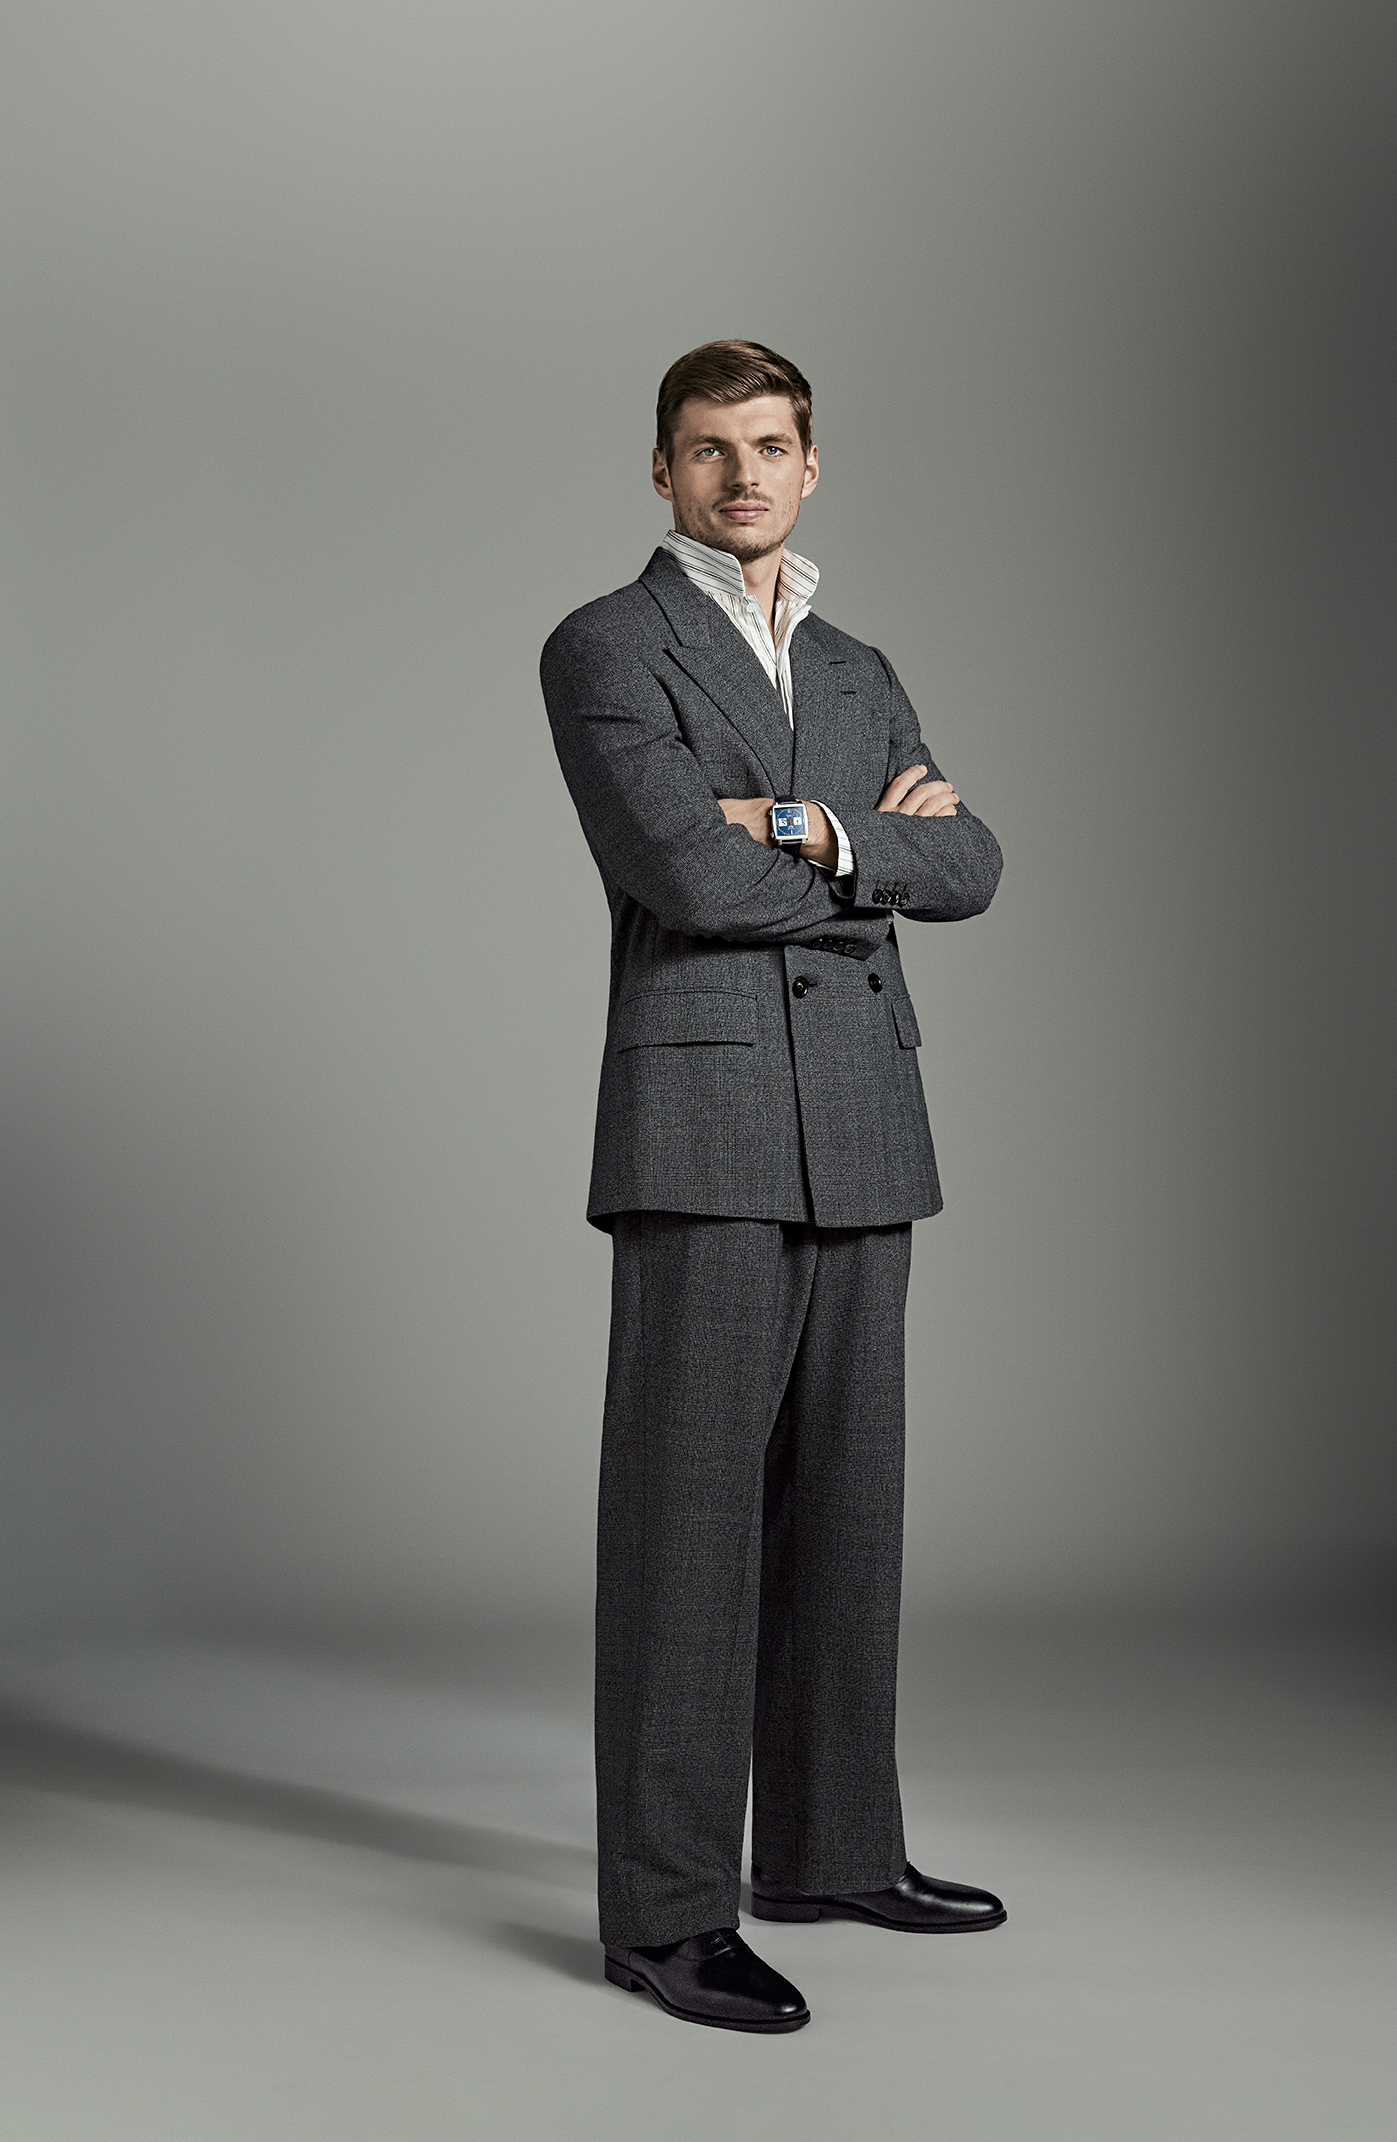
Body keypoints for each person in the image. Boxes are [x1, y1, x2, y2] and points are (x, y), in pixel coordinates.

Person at [540, 340, 1005, 2033]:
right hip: (707, 1116)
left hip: (866, 1116)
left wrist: (796, 825)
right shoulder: (607, 645)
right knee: (686, 1525)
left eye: (770, 445)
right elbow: (682, 873)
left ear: (812, 465)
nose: (742, 475)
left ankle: (829, 1848)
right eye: (707, 448)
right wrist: (869, 845)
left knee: (847, 1509)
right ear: (661, 470)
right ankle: (667, 1913)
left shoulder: (862, 664)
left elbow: (974, 860)